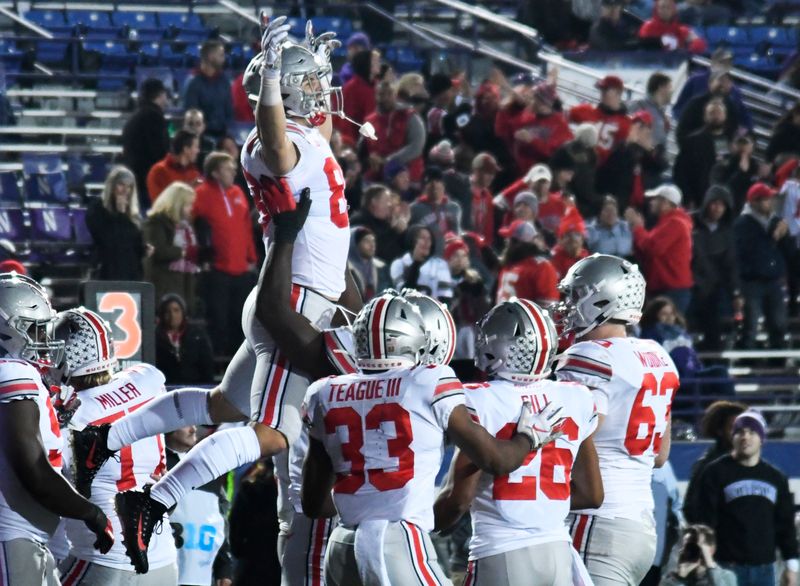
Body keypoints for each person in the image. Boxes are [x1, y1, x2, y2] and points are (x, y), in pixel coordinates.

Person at [75, 20, 364, 574]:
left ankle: (104, 436)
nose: (323, 93)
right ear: (286, 92)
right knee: (275, 432)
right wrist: (277, 77)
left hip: (295, 290)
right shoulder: (283, 143)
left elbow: (297, 134)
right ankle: (154, 500)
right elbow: (276, 135)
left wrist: (306, 63)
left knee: (223, 406)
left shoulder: (305, 140)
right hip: (297, 300)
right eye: (315, 84)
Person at [300, 292, 566, 585]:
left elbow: (315, 504)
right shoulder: (429, 379)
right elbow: (496, 460)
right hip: (397, 539)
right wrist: (529, 438)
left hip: (342, 545)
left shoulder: (323, 392)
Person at [434, 299, 602, 585]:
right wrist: (539, 505)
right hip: (557, 552)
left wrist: (424, 524)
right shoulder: (576, 396)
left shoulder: (478, 398)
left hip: (500, 550)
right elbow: (592, 494)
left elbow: (459, 499)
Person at [554, 254, 680, 586]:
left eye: (576, 295)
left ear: (602, 298)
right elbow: (661, 455)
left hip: (597, 523)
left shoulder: (590, 355)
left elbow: (575, 436)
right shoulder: (657, 355)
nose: (568, 305)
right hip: (640, 526)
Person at [0, 274, 113, 585]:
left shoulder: (20, 373)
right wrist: (89, 513)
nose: (43, 338)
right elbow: (34, 471)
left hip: (27, 532)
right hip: (12, 531)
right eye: (34, 328)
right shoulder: (10, 371)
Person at [53, 308, 177, 582]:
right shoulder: (148, 378)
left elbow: (42, 480)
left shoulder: (68, 417)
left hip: (101, 556)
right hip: (162, 557)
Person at [697, 410, 799, 586]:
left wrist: (791, 565)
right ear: (733, 437)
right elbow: (705, 522)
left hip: (765, 569)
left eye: (752, 432)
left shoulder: (776, 478)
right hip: (726, 567)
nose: (745, 437)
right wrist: (705, 560)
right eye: (740, 432)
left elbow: (785, 525)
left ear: (761, 439)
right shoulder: (714, 473)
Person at [193, 151, 258, 356]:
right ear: (215, 172)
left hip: (241, 268)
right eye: (227, 168)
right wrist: (202, 257)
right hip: (217, 269)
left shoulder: (238, 192)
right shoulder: (201, 194)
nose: (233, 171)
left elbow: (246, 226)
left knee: (239, 317)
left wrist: (252, 258)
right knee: (218, 317)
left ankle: (236, 359)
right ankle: (217, 359)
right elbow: (194, 228)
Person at [165, 426, 232, 586]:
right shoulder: (154, 464)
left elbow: (217, 520)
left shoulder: (209, 468)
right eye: (187, 423)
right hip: (163, 572)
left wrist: (224, 567)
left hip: (199, 576)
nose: (193, 429)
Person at [734, 182, 796, 349]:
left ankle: (778, 363)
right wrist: (772, 236)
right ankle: (747, 362)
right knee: (750, 325)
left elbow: (789, 252)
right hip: (751, 281)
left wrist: (785, 235)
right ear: (754, 201)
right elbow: (749, 252)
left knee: (778, 324)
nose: (770, 202)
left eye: (770, 199)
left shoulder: (776, 221)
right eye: (765, 199)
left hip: (774, 280)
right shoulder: (742, 224)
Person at [626, 184, 694, 313]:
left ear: (665, 203)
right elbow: (646, 252)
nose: (651, 203)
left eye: (655, 199)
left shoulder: (675, 223)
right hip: (665, 287)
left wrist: (638, 228)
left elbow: (653, 248)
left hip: (672, 289)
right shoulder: (665, 223)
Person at [689, 184, 742, 351]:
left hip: (715, 289)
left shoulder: (727, 232)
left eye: (722, 204)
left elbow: (731, 264)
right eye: (714, 203)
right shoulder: (690, 223)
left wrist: (736, 292)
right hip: (691, 286)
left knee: (715, 331)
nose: (717, 208)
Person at [682, 400, 747, 523]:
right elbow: (691, 509)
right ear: (719, 430)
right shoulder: (706, 467)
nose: (742, 435)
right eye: (734, 428)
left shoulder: (756, 465)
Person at [596, 110, 668, 211]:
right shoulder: (621, 147)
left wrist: (649, 150)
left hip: (642, 207)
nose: (641, 131)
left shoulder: (652, 153)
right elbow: (611, 170)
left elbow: (662, 167)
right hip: (619, 202)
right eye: (639, 126)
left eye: (646, 127)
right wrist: (629, 143)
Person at [144, 181, 200, 311]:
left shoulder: (186, 226)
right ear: (177, 204)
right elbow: (158, 250)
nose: (191, 208)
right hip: (164, 284)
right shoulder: (156, 222)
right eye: (188, 204)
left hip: (185, 284)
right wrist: (183, 252)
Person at [86, 165, 149, 281]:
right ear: (112, 186)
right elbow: (107, 239)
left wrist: (144, 248)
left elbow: (134, 246)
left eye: (129, 187)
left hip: (131, 273)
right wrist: (120, 215)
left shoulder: (133, 215)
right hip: (107, 271)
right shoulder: (97, 208)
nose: (125, 191)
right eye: (121, 185)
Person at [674, 98, 735, 210]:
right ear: (705, 117)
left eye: (719, 113)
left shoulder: (725, 144)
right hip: (694, 200)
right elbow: (680, 172)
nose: (716, 116)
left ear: (725, 116)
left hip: (714, 203)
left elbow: (724, 171)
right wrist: (688, 198)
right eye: (712, 113)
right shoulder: (693, 140)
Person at [362, 79, 426, 183]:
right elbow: (363, 149)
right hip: (378, 178)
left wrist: (388, 161)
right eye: (382, 94)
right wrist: (370, 158)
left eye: (390, 93)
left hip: (408, 180)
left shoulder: (410, 116)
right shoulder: (369, 121)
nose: (386, 98)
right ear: (376, 96)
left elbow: (416, 147)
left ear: (395, 94)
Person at [121, 78, 170, 209]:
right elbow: (159, 152)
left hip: (134, 178)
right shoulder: (154, 117)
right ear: (160, 95)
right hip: (148, 181)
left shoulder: (135, 116)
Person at [510, 81, 572, 174]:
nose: (530, 102)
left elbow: (554, 154)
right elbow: (510, 128)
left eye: (534, 99)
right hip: (521, 170)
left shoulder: (560, 124)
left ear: (543, 103)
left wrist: (532, 140)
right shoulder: (530, 116)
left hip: (542, 174)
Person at [569, 75, 631, 164]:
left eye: (606, 90)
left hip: (606, 170)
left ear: (618, 92)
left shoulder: (626, 123)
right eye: (601, 90)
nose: (602, 93)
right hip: (581, 165)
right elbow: (560, 116)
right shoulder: (586, 111)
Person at [154, 294, 215, 386]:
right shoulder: (154, 337)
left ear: (183, 312)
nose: (172, 315)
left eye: (176, 310)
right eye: (167, 311)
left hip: (195, 389)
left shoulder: (197, 336)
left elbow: (207, 367)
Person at [495, 220, 559, 306]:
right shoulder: (540, 266)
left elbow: (548, 308)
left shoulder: (509, 266)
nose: (506, 242)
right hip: (514, 318)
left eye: (509, 239)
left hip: (509, 318)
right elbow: (550, 308)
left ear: (517, 242)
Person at [183, 39, 233, 141]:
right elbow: (192, 116)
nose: (224, 59)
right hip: (201, 136)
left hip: (223, 134)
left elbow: (229, 111)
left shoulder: (224, 81)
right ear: (211, 57)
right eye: (221, 55)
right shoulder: (193, 83)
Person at [390, 225, 454, 302]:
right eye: (422, 238)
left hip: (433, 312)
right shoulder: (398, 264)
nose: (427, 242)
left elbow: (446, 298)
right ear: (412, 240)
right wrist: (415, 264)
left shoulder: (440, 264)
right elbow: (402, 295)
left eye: (429, 238)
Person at [409, 166, 462, 254]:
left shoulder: (454, 208)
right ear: (423, 187)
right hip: (428, 260)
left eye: (437, 181)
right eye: (429, 182)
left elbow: (458, 235)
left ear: (444, 185)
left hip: (451, 258)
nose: (434, 185)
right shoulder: (414, 209)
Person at [660, 526, 737, 586]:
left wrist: (710, 566)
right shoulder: (671, 577)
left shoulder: (726, 576)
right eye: (685, 546)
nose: (686, 551)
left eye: (693, 546)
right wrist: (680, 578)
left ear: (711, 550)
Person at [350, 184, 407, 262]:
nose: (390, 205)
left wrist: (402, 232)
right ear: (374, 201)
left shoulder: (385, 222)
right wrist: (394, 231)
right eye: (387, 201)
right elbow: (374, 250)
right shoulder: (359, 221)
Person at [146, 130, 202, 203]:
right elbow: (159, 204)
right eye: (196, 147)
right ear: (186, 149)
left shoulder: (194, 173)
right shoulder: (159, 171)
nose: (198, 151)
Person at [638, 0, 707, 53]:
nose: (664, 10)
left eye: (668, 7)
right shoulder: (648, 26)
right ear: (656, 10)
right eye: (661, 7)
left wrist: (688, 51)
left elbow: (699, 43)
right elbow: (643, 46)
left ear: (674, 10)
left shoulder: (681, 29)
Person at [629, 72, 673, 152]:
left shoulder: (662, 114)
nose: (671, 92)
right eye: (669, 88)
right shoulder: (640, 105)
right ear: (661, 87)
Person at [348, 226, 389, 302]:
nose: (372, 245)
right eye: (366, 241)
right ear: (354, 244)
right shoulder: (346, 269)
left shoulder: (381, 267)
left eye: (373, 241)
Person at [468, 153, 500, 246]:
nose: (491, 177)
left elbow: (488, 229)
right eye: (488, 172)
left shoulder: (488, 196)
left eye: (493, 173)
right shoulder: (463, 189)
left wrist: (486, 248)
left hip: (479, 248)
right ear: (476, 171)